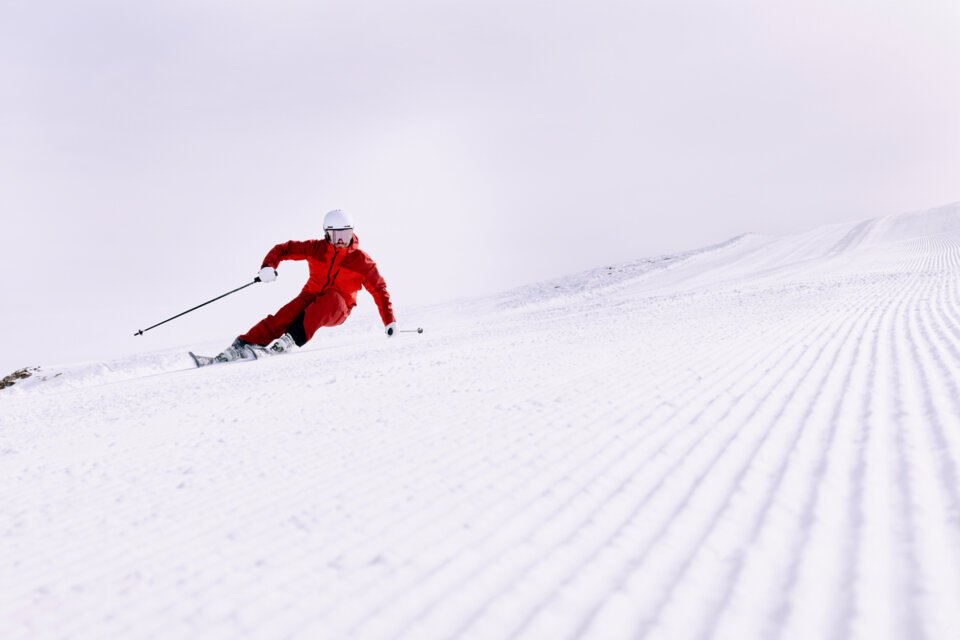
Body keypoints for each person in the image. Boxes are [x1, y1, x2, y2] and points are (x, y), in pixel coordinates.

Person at [215, 209, 397, 362]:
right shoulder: (316, 248)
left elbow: (379, 290)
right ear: (327, 234)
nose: (341, 240)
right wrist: (268, 266)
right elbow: (284, 248)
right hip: (310, 296)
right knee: (284, 315)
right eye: (336, 235)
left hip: (338, 307)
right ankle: (242, 345)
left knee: (331, 298)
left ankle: (290, 339)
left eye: (346, 234)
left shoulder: (361, 261)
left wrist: (389, 321)